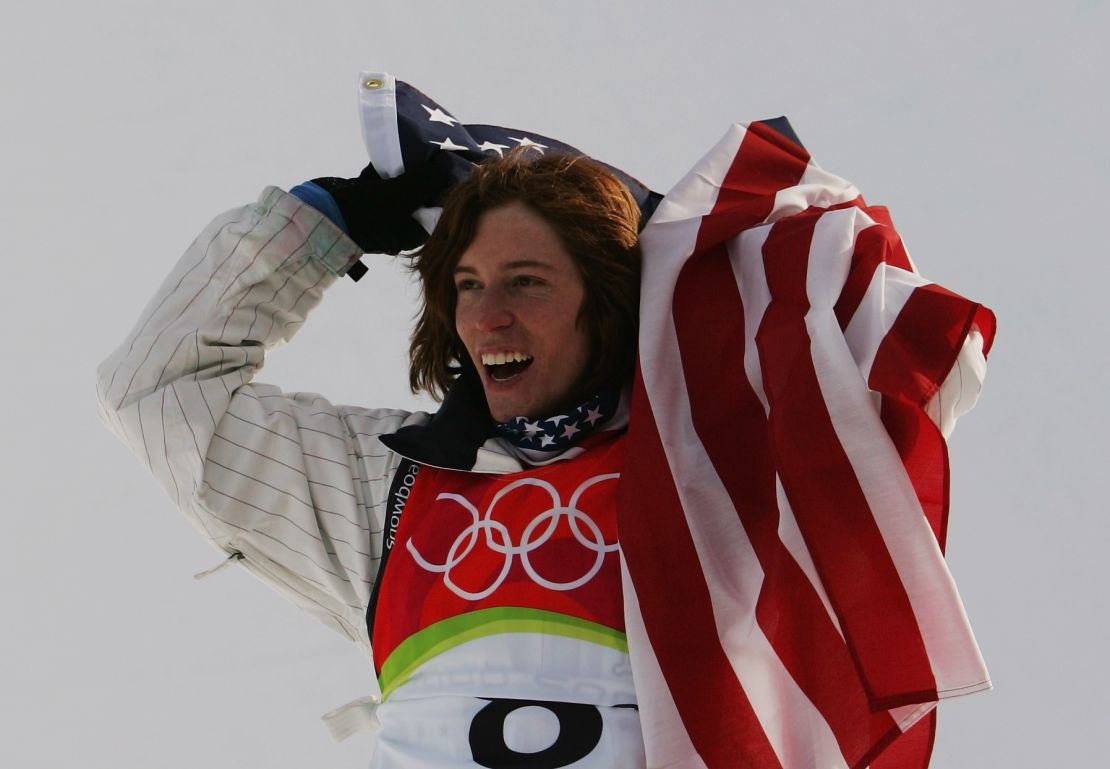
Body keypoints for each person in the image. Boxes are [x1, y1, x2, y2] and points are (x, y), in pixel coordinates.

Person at [97, 149, 651, 767]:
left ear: (609, 300)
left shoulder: (711, 467)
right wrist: (319, 226)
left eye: (526, 280)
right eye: (467, 284)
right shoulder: (392, 482)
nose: (488, 315)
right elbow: (157, 394)